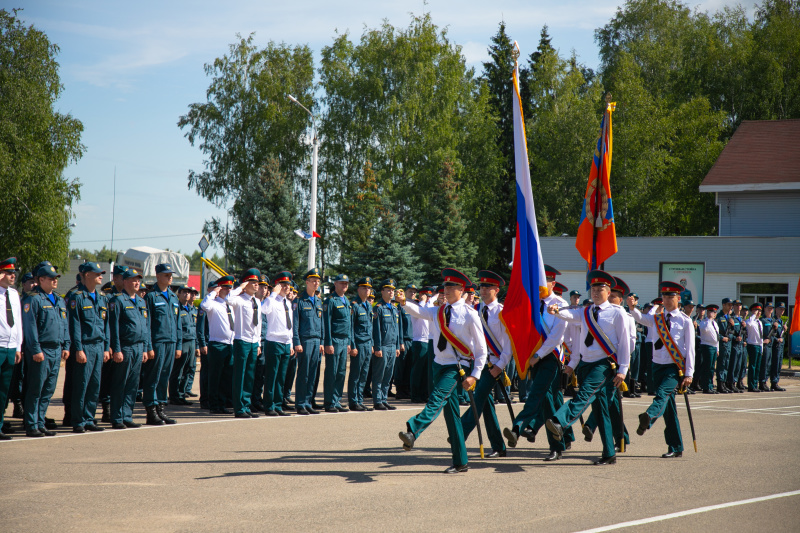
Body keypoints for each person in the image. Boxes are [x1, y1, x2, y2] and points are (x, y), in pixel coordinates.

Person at [397, 268, 488, 474]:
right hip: (438, 365)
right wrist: (404, 302)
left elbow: (482, 349)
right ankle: (460, 461)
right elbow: (419, 311)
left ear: (461, 289)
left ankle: (413, 430)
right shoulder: (438, 311)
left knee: (436, 398)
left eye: (450, 286)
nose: (445, 290)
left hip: (457, 368)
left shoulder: (469, 314)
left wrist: (475, 374)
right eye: (444, 286)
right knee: (452, 416)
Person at [545, 270, 631, 465]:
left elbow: (625, 342)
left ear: (608, 292)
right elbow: (569, 314)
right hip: (585, 363)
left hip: (603, 365)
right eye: (593, 288)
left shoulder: (617, 313)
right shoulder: (585, 311)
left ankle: (560, 421)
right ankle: (609, 453)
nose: (595, 292)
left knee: (584, 394)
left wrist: (623, 369)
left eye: (600, 289)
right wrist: (556, 310)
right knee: (601, 411)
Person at [627, 281, 695, 458]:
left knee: (662, 395)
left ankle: (648, 417)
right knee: (669, 409)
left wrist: (689, 373)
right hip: (657, 365)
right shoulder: (657, 318)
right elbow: (640, 319)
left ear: (678, 299)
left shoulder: (685, 321)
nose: (666, 299)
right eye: (664, 296)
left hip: (674, 368)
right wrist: (633, 308)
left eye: (670, 296)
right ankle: (676, 446)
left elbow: (691, 348)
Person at [461, 270, 511, 458]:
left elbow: (509, 343)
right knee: (486, 406)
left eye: (487, 287)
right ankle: (499, 446)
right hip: (479, 364)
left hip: (495, 365)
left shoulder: (503, 312)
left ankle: (460, 432)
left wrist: (501, 364)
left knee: (478, 398)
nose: (482, 290)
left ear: (496, 290)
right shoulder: (475, 310)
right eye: (481, 287)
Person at [21, 264, 68, 437]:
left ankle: (40, 422)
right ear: (41, 280)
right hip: (41, 350)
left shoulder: (58, 299)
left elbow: (64, 324)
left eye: (56, 278)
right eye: (51, 278)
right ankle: (31, 424)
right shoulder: (33, 299)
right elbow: (30, 327)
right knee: (36, 389)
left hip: (56, 349)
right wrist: (35, 350)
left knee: (48, 389)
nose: (55, 280)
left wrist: (66, 345)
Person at [67, 262, 110, 433]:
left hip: (99, 346)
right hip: (85, 346)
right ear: (86, 275)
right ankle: (78, 420)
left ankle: (89, 418)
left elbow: (105, 325)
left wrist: (106, 347)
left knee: (94, 385)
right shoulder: (77, 297)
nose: (101, 275)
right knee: (81, 385)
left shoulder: (101, 298)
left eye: (101, 273)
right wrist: (78, 349)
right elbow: (74, 325)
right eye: (97, 273)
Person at [108, 268, 151, 429]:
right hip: (125, 347)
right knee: (120, 383)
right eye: (133, 280)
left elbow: (145, 327)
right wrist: (117, 349)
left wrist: (145, 348)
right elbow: (114, 327)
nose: (137, 282)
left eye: (138, 280)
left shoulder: (141, 301)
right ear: (125, 281)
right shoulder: (118, 300)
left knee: (133, 384)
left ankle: (127, 415)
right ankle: (117, 417)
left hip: (139, 347)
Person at [143, 263, 182, 424]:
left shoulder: (173, 297)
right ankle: (151, 411)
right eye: (166, 275)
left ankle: (160, 408)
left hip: (171, 342)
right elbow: (147, 324)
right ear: (157, 276)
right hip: (157, 342)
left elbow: (178, 322)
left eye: (170, 274)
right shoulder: (151, 297)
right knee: (154, 376)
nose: (169, 277)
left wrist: (178, 345)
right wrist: (149, 346)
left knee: (164, 377)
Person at [227, 269, 263, 418]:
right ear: (246, 284)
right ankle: (239, 408)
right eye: (253, 283)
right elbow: (228, 299)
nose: (256, 286)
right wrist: (240, 288)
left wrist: (259, 342)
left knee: (249, 375)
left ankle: (246, 405)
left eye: (257, 283)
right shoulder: (239, 299)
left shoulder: (257, 301)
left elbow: (259, 324)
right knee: (240, 375)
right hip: (242, 341)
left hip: (253, 342)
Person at [200, 276, 236, 414]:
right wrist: (213, 292)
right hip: (217, 344)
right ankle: (214, 405)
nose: (228, 290)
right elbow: (204, 305)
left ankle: (222, 403)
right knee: (215, 376)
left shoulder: (229, 305)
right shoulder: (213, 303)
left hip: (230, 344)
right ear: (219, 288)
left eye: (229, 288)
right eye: (225, 287)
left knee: (226, 376)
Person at [261, 271, 294, 416]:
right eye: (284, 285)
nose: (287, 287)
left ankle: (278, 405)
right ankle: (269, 405)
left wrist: (291, 343)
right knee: (272, 376)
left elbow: (290, 325)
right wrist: (273, 294)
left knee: (281, 376)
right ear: (277, 286)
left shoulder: (287, 302)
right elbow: (263, 309)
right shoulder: (271, 300)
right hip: (274, 342)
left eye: (288, 284)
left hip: (286, 342)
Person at [293, 268, 324, 415]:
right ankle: (300, 403)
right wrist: (297, 342)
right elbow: (295, 323)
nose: (316, 283)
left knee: (313, 373)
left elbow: (321, 323)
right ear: (307, 282)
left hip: (317, 341)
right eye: (313, 281)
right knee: (304, 373)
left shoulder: (318, 301)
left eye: (318, 281)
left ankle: (308, 401)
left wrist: (322, 341)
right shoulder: (299, 301)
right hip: (305, 341)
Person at [99, 264, 128, 423]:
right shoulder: (108, 296)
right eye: (122, 278)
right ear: (115, 278)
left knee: (121, 379)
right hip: (111, 344)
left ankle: (120, 409)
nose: (125, 281)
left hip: (125, 345)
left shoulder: (128, 296)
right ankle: (107, 409)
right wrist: (108, 344)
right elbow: (106, 324)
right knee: (108, 377)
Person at [321, 274, 352, 413]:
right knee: (331, 372)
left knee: (341, 372)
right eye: (341, 283)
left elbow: (348, 324)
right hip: (334, 340)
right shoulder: (330, 301)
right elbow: (326, 323)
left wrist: (349, 342)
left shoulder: (346, 300)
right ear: (335, 284)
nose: (344, 285)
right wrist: (328, 342)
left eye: (346, 283)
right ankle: (329, 402)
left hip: (344, 340)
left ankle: (337, 400)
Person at [0, 258, 23, 440]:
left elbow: (18, 323)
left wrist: (18, 346)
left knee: (3, 392)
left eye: (14, 272)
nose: (12, 275)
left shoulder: (14, 294)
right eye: (8, 272)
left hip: (10, 347)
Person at [371, 279, 401, 411]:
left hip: (392, 346)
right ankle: (377, 400)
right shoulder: (378, 308)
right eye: (388, 290)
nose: (391, 292)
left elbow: (397, 329)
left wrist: (397, 346)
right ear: (382, 291)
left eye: (392, 290)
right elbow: (376, 330)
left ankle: (384, 399)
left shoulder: (395, 309)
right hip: (382, 346)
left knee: (388, 375)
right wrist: (377, 347)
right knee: (379, 375)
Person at [347, 277, 374, 412]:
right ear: (358, 289)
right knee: (356, 374)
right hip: (358, 344)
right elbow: (350, 327)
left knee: (364, 374)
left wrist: (372, 344)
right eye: (364, 287)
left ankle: (360, 400)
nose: (367, 290)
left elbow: (370, 326)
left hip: (368, 344)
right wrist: (353, 345)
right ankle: (353, 401)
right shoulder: (354, 305)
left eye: (369, 288)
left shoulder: (368, 305)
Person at [169, 286, 198, 406]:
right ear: (179, 294)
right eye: (184, 292)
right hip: (182, 342)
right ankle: (174, 396)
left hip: (191, 341)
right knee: (178, 370)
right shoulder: (176, 308)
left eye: (189, 292)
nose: (187, 294)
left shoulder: (192, 309)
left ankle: (182, 394)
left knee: (188, 369)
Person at [409, 286, 432, 404]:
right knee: (417, 370)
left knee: (425, 371)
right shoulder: (417, 307)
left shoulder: (428, 307)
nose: (428, 299)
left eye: (429, 296)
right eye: (426, 296)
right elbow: (420, 312)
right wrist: (422, 300)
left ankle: (423, 394)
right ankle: (415, 394)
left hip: (427, 341)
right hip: (419, 341)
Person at [252, 275, 271, 412]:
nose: (264, 289)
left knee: (262, 373)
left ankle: (257, 399)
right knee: (252, 373)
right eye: (262, 286)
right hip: (254, 341)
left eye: (266, 287)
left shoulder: (267, 304)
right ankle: (251, 400)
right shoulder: (252, 302)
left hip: (265, 342)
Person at [196, 281, 213, 409]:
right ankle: (205, 399)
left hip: (215, 343)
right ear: (208, 290)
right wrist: (202, 343)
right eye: (213, 289)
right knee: (206, 373)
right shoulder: (204, 305)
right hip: (207, 343)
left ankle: (212, 397)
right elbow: (200, 327)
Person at [697, 304, 720, 394]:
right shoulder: (704, 322)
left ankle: (710, 385)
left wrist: (717, 349)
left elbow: (717, 337)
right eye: (710, 311)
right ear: (707, 313)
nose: (712, 313)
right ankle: (706, 386)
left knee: (711, 368)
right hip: (707, 346)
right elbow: (704, 330)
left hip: (714, 347)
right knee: (707, 367)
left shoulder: (715, 323)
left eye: (713, 312)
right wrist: (709, 319)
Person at [716, 298, 735, 393]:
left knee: (727, 364)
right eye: (728, 305)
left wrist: (732, 326)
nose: (730, 307)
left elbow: (733, 332)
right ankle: (720, 384)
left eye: (731, 305)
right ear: (723, 305)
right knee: (721, 364)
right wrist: (721, 337)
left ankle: (724, 383)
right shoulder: (719, 317)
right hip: (721, 343)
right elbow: (714, 331)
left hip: (728, 343)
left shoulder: (730, 318)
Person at [744, 302, 764, 392]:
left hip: (758, 345)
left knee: (758, 366)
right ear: (752, 311)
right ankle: (751, 385)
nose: (758, 312)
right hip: (752, 345)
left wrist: (762, 347)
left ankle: (755, 384)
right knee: (752, 366)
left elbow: (761, 336)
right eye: (756, 310)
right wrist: (753, 315)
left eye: (759, 310)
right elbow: (749, 324)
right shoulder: (750, 321)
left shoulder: (759, 322)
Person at [728, 300, 746, 392]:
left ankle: (735, 382)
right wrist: (735, 338)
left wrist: (745, 327)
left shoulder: (741, 319)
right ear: (733, 307)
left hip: (740, 345)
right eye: (736, 305)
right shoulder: (731, 318)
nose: (738, 307)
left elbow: (744, 333)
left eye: (740, 305)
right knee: (733, 364)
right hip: (734, 345)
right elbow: (729, 332)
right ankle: (731, 383)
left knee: (739, 365)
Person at [759, 303, 776, 392]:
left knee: (769, 364)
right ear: (764, 309)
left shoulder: (773, 320)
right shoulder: (762, 320)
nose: (770, 310)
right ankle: (762, 382)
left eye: (771, 308)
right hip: (765, 345)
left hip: (771, 345)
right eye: (768, 308)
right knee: (764, 364)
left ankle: (765, 381)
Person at [770, 303, 787, 391]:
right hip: (775, 345)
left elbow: (781, 335)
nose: (782, 311)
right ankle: (773, 382)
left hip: (780, 346)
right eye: (780, 309)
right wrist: (777, 339)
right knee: (775, 364)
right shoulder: (773, 320)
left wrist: (784, 330)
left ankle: (776, 381)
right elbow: (770, 334)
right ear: (776, 309)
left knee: (779, 364)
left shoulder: (781, 321)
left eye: (783, 309)